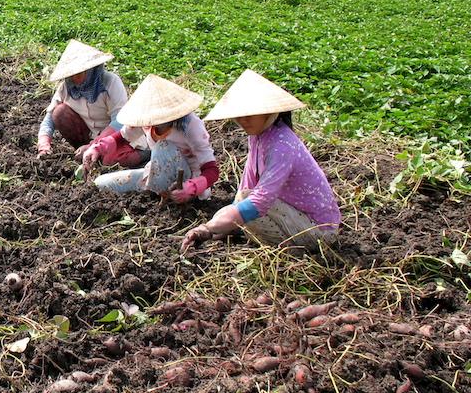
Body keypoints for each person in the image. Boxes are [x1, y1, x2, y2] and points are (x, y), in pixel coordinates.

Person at [180, 69, 341, 253]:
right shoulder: (258, 136)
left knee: (242, 210)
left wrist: (209, 230)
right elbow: (248, 183)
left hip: (318, 231)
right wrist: (215, 226)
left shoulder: (282, 144)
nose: (243, 121)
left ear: (268, 112)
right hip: (289, 213)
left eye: (250, 114)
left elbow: (259, 200)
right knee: (226, 213)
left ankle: (291, 250)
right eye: (239, 114)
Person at [86, 74, 217, 202]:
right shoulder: (148, 121)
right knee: (101, 184)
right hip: (156, 176)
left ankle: (165, 196)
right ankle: (156, 192)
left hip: (186, 186)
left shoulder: (190, 126)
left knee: (163, 147)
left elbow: (211, 169)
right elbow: (122, 137)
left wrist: (191, 188)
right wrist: (97, 148)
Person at [37, 40, 144, 169]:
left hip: (119, 138)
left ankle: (144, 155)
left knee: (110, 160)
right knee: (60, 112)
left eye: (78, 72)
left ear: (90, 69)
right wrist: (44, 146)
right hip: (91, 136)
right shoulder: (66, 88)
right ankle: (87, 153)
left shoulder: (110, 82)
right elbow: (49, 119)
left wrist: (95, 145)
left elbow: (119, 122)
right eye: (70, 74)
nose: (74, 77)